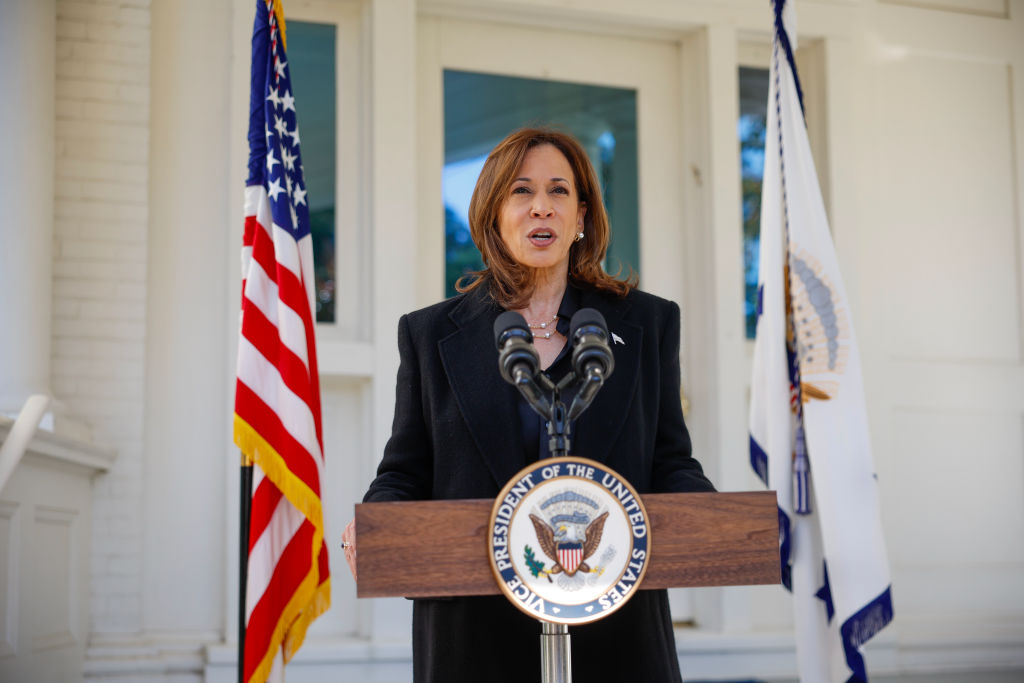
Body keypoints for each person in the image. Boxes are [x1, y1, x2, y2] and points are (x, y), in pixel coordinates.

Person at [341, 127, 714, 682]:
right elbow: (405, 470)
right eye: (521, 191)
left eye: (559, 191)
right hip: (474, 634)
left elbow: (670, 460)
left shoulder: (646, 324)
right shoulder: (429, 334)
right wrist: (373, 520)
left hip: (614, 628)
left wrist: (711, 521)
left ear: (582, 216)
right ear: (493, 213)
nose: (542, 206)